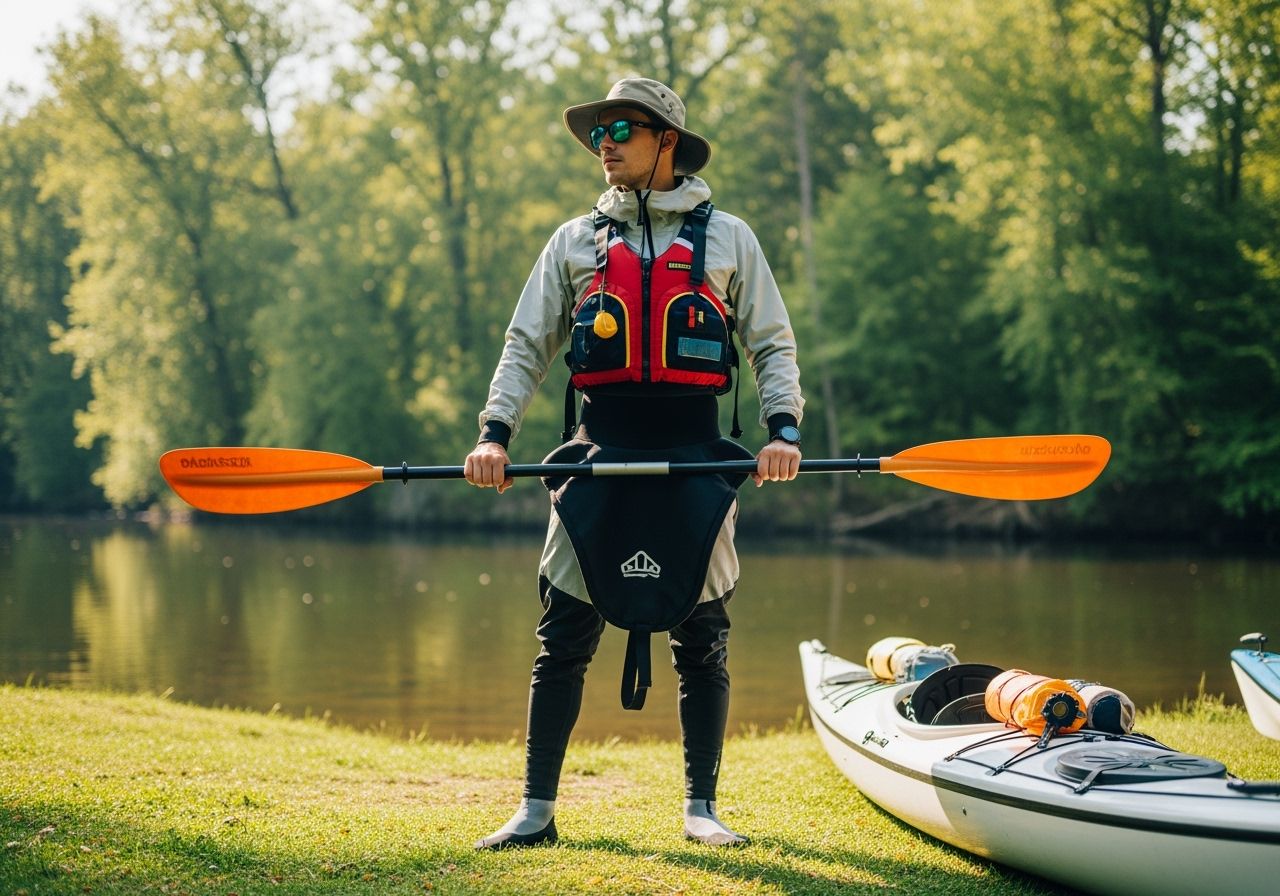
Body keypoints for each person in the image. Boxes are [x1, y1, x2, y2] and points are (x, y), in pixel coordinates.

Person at [464, 77, 804, 849]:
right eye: (597, 132)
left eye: (622, 128)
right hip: (599, 451)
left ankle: (701, 809)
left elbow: (771, 344)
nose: (604, 142)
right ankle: (535, 811)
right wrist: (494, 436)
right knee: (563, 635)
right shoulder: (573, 242)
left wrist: (782, 430)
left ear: (667, 141)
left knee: (704, 637)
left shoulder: (730, 238)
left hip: (694, 457)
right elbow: (527, 346)